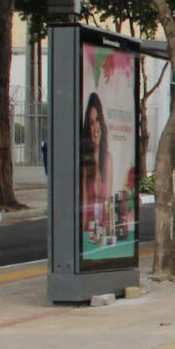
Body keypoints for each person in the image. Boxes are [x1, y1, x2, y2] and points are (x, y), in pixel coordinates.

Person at [81, 92, 113, 239]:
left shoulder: (107, 160)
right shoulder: (86, 163)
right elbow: (84, 204)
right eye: (91, 122)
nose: (95, 128)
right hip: (89, 233)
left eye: (97, 120)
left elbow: (107, 204)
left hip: (103, 232)